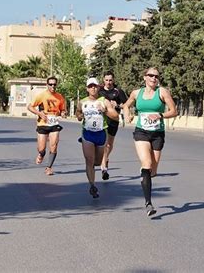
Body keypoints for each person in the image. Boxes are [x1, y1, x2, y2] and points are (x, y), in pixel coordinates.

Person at [123, 67, 177, 216]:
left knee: (152, 170)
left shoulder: (162, 92)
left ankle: (146, 174)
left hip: (157, 134)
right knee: (146, 164)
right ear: (144, 77)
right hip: (141, 132)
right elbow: (126, 105)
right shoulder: (136, 93)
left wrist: (160, 115)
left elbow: (174, 111)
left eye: (156, 76)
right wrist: (127, 116)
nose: (154, 78)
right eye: (151, 75)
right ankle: (148, 203)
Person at [76, 77, 119, 198]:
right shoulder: (82, 102)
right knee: (89, 161)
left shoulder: (104, 101)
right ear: (87, 89)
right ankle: (92, 186)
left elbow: (116, 116)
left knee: (97, 161)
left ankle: (97, 170)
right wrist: (80, 116)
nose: (93, 88)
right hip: (87, 134)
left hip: (101, 133)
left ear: (98, 87)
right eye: (90, 86)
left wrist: (105, 111)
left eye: (95, 86)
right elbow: (78, 113)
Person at [27, 76, 67, 176]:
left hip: (54, 123)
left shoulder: (60, 97)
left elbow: (63, 110)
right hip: (43, 124)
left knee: (54, 146)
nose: (53, 86)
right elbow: (29, 107)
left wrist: (63, 113)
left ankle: (49, 168)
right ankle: (41, 154)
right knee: (41, 148)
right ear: (47, 85)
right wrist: (39, 113)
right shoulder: (41, 95)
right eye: (51, 84)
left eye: (54, 84)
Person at [98, 71, 128, 180]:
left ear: (113, 80)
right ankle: (103, 167)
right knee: (104, 144)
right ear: (103, 80)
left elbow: (126, 105)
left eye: (110, 80)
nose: (108, 82)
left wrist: (118, 105)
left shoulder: (118, 92)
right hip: (101, 120)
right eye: (106, 80)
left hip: (113, 120)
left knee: (109, 145)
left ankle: (105, 158)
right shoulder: (99, 90)